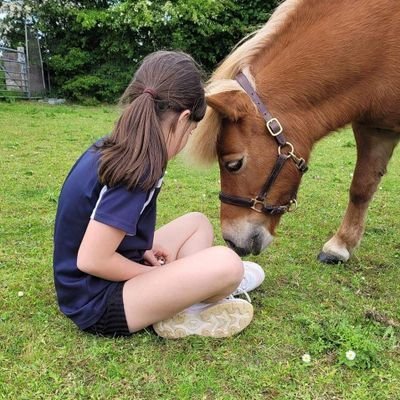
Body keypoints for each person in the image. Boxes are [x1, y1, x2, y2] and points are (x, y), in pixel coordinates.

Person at [53, 50, 265, 339]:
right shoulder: (137, 169)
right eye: (191, 132)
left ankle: (186, 298)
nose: (188, 138)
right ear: (183, 118)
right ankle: (191, 302)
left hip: (92, 284)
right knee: (228, 265)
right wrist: (155, 276)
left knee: (196, 223)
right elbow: (91, 259)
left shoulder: (118, 147)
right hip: (98, 303)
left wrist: (144, 250)